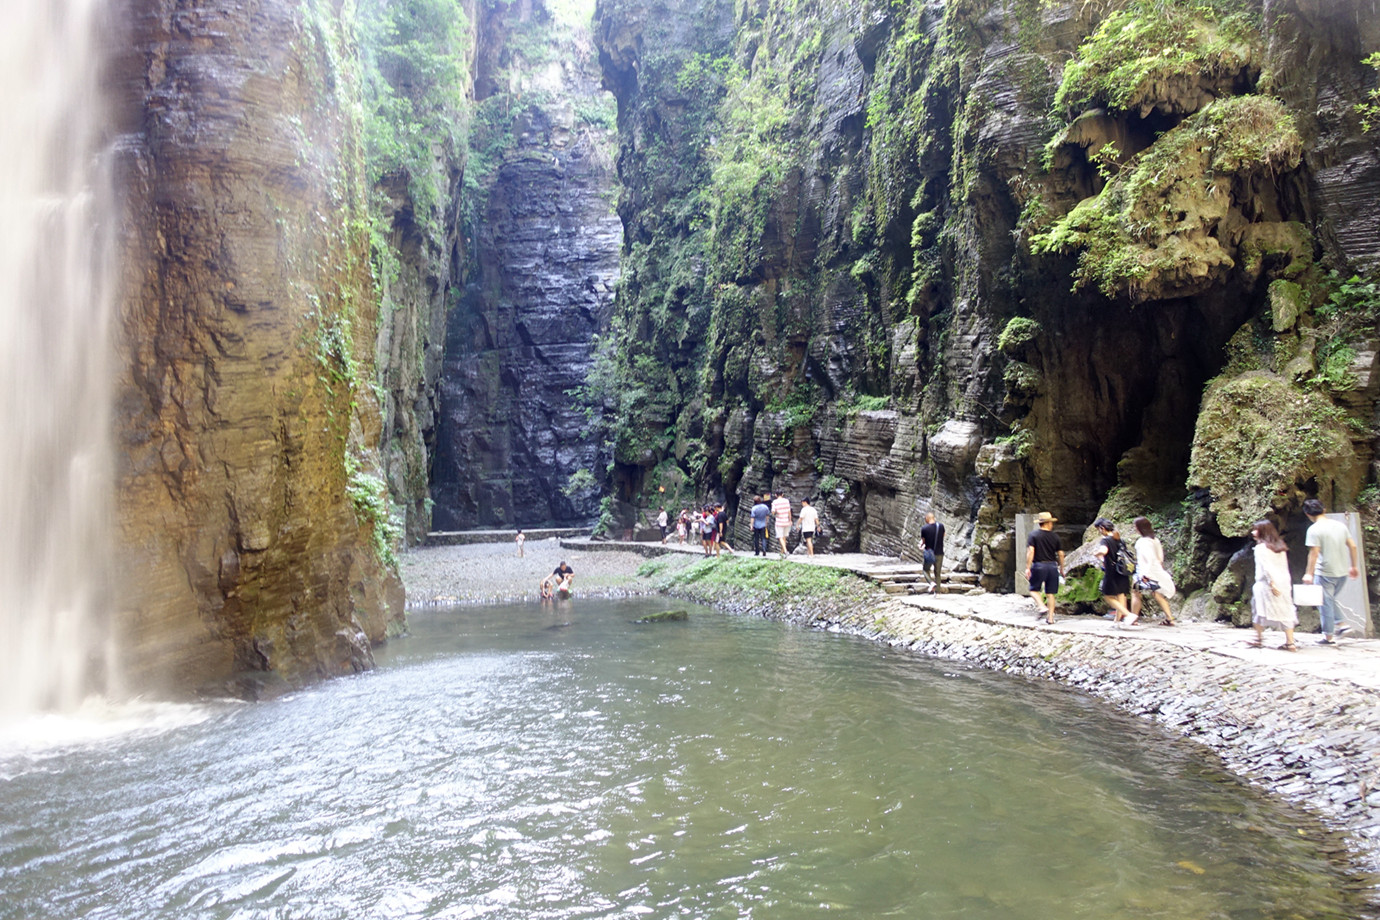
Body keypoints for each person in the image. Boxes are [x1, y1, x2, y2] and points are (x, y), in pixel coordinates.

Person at [1301, 498, 1360, 645]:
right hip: (1342, 572)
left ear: (1307, 514)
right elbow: (1353, 546)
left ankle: (1331, 633)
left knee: (1325, 603)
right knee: (1329, 600)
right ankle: (1340, 625)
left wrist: (1309, 573)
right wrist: (1353, 566)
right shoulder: (1340, 526)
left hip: (1325, 572)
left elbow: (1314, 553)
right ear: (1324, 510)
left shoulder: (1313, 530)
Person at [1249, 519, 1298, 651]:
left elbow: (1266, 567)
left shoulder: (1260, 548)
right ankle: (1290, 642)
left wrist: (1272, 583)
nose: (1253, 532)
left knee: (1258, 609)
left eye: (1256, 530)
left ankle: (1258, 638)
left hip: (1266, 584)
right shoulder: (1280, 547)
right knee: (1286, 610)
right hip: (1284, 582)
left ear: (1263, 532)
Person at [1130, 516, 1176, 625]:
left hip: (1144, 572)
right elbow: (1160, 558)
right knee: (1157, 594)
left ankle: (1133, 619)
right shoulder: (1155, 540)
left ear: (1139, 528)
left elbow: (1147, 559)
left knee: (1136, 593)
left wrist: (1144, 574)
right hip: (1156, 570)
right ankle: (1170, 618)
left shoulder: (1142, 542)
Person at [1093, 518, 1137, 627]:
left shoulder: (1105, 540)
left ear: (1102, 528)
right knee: (1121, 595)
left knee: (1108, 596)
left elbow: (1104, 551)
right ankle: (1117, 621)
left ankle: (1128, 615)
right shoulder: (1120, 540)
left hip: (1112, 572)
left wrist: (1096, 553)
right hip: (1122, 571)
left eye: (1099, 529)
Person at [1024, 512, 1063, 624]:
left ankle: (1041, 606)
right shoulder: (1055, 536)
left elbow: (1031, 551)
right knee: (1051, 593)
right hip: (1052, 566)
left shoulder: (1034, 535)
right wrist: (1061, 568)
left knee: (1033, 589)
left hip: (1039, 565)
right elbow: (1060, 554)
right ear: (1048, 523)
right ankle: (1050, 618)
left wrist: (1028, 567)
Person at [920, 512, 945, 594]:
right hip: (940, 553)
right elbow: (943, 535)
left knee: (925, 570)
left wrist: (921, 546)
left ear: (927, 518)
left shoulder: (924, 528)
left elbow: (923, 541)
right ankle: (937, 592)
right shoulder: (941, 526)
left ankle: (931, 583)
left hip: (929, 553)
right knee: (938, 573)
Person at [771, 492, 793, 558]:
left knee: (780, 537)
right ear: (782, 494)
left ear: (776, 495)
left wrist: (774, 512)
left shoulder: (774, 502)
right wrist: (790, 520)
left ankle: (785, 551)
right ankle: (782, 552)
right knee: (784, 537)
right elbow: (789, 511)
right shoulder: (786, 501)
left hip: (779, 522)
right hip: (786, 521)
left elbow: (773, 512)